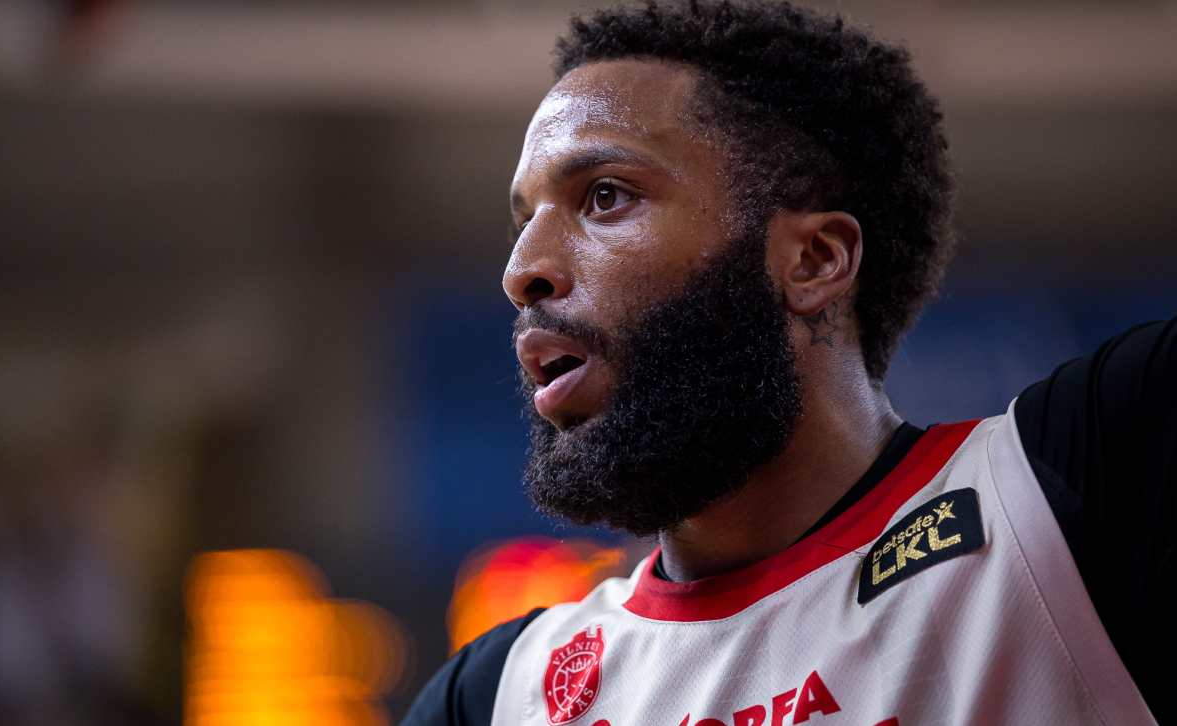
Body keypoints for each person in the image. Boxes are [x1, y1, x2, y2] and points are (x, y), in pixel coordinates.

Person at [400, 2, 1177, 724]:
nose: (522, 272)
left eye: (605, 197)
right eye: (523, 223)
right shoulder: (499, 696)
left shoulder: (1063, 488)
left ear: (814, 260)